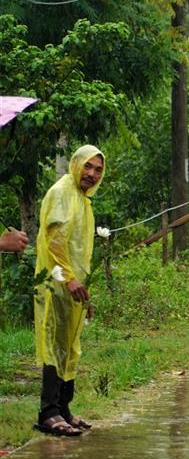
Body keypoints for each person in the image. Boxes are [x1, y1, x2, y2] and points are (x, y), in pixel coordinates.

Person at [33, 145, 105, 436]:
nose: (91, 174)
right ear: (75, 164)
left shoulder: (82, 199)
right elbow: (53, 243)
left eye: (98, 169)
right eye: (87, 166)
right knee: (53, 342)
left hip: (73, 285)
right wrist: (69, 279)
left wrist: (81, 287)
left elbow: (78, 249)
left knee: (69, 343)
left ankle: (64, 408)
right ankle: (48, 412)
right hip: (56, 282)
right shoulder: (62, 192)